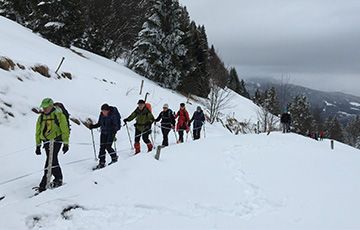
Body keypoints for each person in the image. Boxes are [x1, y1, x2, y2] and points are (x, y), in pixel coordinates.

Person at [35, 98, 70, 192]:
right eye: (43, 107)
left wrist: (66, 143)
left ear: (51, 106)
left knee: (51, 159)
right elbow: (38, 131)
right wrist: (38, 145)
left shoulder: (59, 115)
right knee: (52, 160)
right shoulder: (41, 117)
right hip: (46, 142)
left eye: (46, 107)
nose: (44, 109)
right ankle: (58, 178)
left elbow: (64, 129)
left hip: (57, 140)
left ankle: (44, 184)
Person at [88, 104, 120, 169]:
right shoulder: (102, 115)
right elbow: (99, 123)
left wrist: (114, 130)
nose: (104, 112)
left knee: (108, 147)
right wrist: (93, 126)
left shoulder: (112, 115)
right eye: (102, 111)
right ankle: (102, 162)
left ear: (108, 110)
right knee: (102, 147)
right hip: (103, 132)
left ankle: (114, 157)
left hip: (111, 132)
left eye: (105, 111)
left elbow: (116, 125)